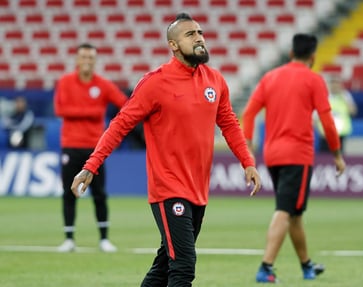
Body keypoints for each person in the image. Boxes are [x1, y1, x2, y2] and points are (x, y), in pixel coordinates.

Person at [70, 13, 261, 287]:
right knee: (183, 267)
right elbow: (120, 125)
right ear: (173, 45)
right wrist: (91, 165)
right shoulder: (155, 83)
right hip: (169, 188)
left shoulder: (215, 81)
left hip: (198, 189)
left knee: (163, 266)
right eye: (190, 34)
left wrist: (247, 161)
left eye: (200, 32)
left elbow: (229, 123)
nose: (199, 38)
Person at [242, 33, 346, 283]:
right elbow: (327, 122)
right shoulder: (314, 80)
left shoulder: (270, 77)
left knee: (295, 213)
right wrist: (337, 154)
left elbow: (249, 113)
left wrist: (248, 143)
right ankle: (266, 267)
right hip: (297, 155)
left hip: (273, 154)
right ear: (313, 57)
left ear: (290, 53)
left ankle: (307, 266)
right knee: (286, 210)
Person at [54, 43, 128, 252]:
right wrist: (94, 110)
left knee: (99, 193)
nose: (87, 61)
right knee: (68, 192)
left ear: (95, 61)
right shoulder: (65, 82)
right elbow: (61, 109)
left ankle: (104, 238)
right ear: (77, 60)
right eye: (83, 57)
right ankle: (69, 238)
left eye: (90, 57)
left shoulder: (103, 85)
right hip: (71, 145)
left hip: (96, 148)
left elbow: (125, 104)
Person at [317, 75, 357, 153]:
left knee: (339, 156)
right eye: (332, 83)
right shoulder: (324, 96)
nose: (334, 85)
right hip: (326, 134)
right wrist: (320, 131)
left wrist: (343, 97)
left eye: (336, 83)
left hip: (341, 134)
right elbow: (316, 116)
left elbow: (353, 111)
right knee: (324, 157)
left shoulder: (346, 96)